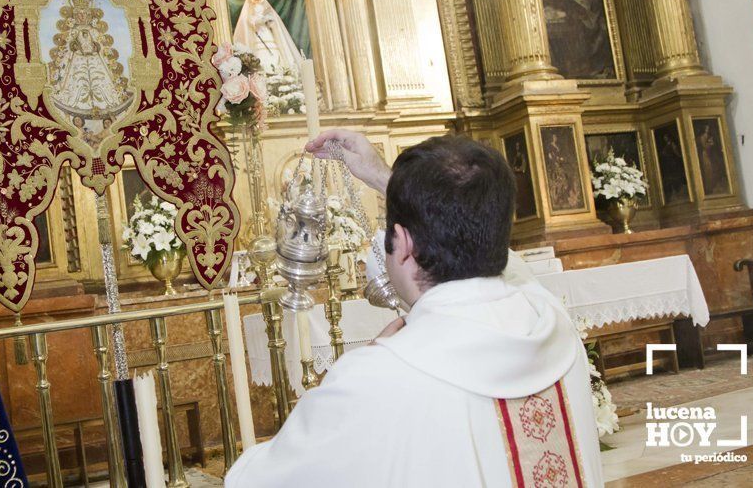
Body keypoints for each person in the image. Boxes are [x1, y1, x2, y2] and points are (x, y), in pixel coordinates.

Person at [225, 130, 602, 487]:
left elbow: (261, 481)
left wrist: (362, 364)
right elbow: (497, 255)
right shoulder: (552, 321)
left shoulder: (373, 378)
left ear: (402, 244)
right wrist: (387, 180)